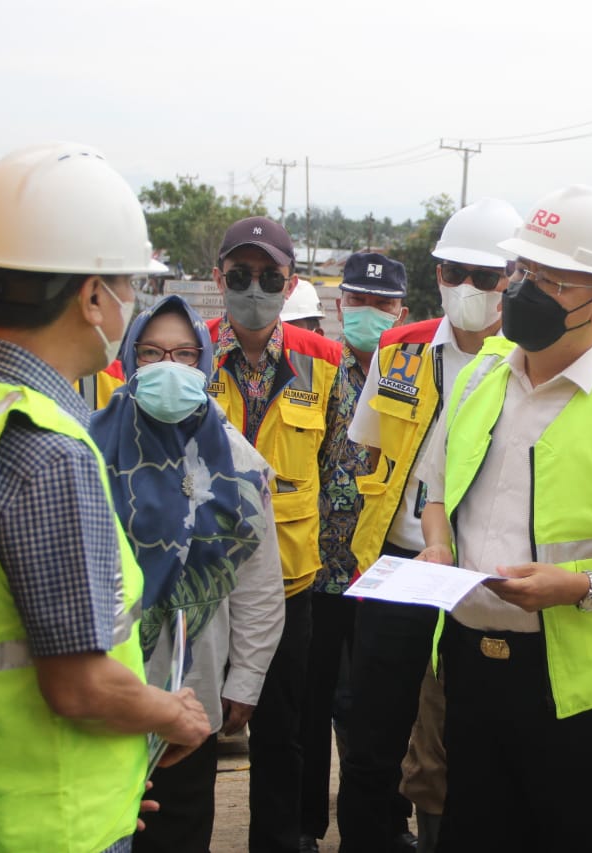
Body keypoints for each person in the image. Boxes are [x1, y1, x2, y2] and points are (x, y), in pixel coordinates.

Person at [0, 141, 210, 852]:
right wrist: (174, 713)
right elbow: (79, 684)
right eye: (127, 286)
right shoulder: (43, 446)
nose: (128, 303)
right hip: (42, 824)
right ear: (92, 294)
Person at [415, 184, 592, 853]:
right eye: (524, 272)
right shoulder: (479, 379)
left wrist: (577, 587)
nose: (525, 290)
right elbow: (436, 489)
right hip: (470, 668)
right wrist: (437, 545)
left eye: (552, 281)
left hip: (576, 692)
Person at [338, 201, 520, 853]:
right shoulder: (401, 349)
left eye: (483, 274)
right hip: (398, 569)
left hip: (480, 580)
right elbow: (369, 449)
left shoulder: (525, 365)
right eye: (453, 270)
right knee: (372, 740)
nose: (466, 287)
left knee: (468, 738)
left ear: (512, 279)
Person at [90, 296, 287, 853]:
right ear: (129, 359)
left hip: (191, 695)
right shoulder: (83, 449)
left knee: (177, 828)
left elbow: (259, 586)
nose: (168, 366)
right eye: (152, 353)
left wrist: (246, 679)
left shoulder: (240, 464)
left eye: (183, 353)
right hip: (99, 688)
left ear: (204, 363)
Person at [207, 215, 343, 853]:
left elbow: (336, 467)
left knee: (283, 734)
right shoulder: (189, 354)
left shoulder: (326, 363)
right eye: (240, 276)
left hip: (289, 584)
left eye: (268, 277)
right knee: (190, 730)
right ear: (218, 279)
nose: (253, 288)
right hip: (200, 588)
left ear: (291, 286)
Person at [303, 251, 409, 852]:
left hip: (386, 571)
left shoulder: (414, 373)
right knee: (312, 708)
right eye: (358, 302)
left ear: (402, 310)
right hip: (319, 569)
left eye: (382, 304)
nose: (369, 313)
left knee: (382, 709)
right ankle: (305, 827)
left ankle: (385, 824)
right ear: (341, 306)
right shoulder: (316, 370)